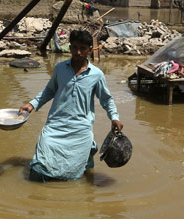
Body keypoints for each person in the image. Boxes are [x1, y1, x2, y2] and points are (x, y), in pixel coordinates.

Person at [19, 30, 124, 182]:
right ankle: (38, 194)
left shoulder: (96, 74)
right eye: (74, 47)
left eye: (82, 48)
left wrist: (114, 118)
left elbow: (106, 99)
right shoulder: (60, 68)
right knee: (41, 159)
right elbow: (50, 90)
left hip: (81, 128)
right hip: (55, 125)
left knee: (76, 171)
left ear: (90, 49)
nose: (78, 52)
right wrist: (32, 104)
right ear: (70, 47)